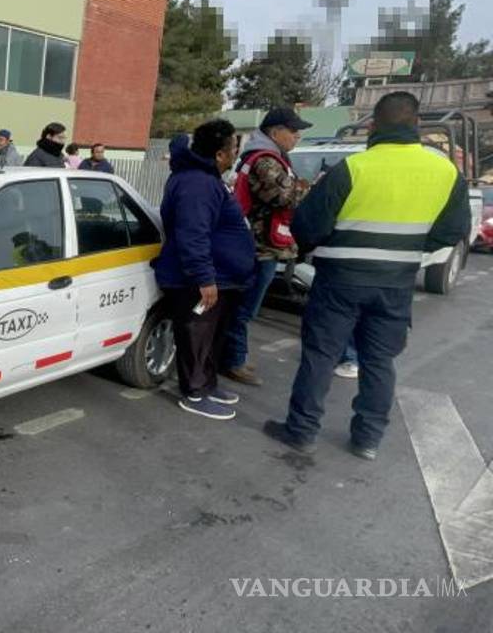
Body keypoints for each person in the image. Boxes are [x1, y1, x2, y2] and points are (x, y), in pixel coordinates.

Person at [263, 92, 472, 460]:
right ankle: (368, 439)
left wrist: (324, 247)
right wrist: (409, 250)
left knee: (321, 355)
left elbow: (308, 225)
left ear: (374, 126)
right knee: (378, 361)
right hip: (395, 282)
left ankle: (301, 431)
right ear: (417, 125)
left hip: (339, 278)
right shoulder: (445, 172)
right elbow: (453, 229)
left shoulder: (354, 168)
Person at [152, 119, 256, 420]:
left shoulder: (207, 179)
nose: (236, 154)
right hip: (199, 280)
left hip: (220, 277)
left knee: (211, 337)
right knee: (197, 335)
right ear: (221, 155)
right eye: (233, 149)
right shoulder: (197, 183)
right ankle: (194, 392)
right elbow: (192, 234)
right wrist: (204, 278)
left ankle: (207, 384)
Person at [220, 108, 312, 387]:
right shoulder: (266, 161)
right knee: (245, 308)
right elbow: (282, 197)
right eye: (292, 130)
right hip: (260, 246)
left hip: (261, 244)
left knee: (244, 307)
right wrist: (305, 187)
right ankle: (232, 360)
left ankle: (235, 355)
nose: (297, 136)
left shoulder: (269, 157)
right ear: (274, 132)